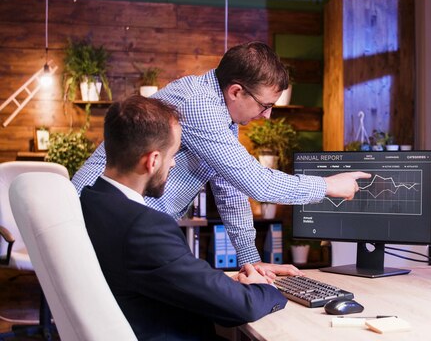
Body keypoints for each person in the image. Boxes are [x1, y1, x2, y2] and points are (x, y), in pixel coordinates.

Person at [72, 41, 370, 276]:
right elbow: (257, 184)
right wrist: (327, 186)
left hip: (115, 222)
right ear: (236, 91)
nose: (267, 115)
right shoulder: (199, 105)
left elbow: (231, 189)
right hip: (97, 221)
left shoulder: (218, 113)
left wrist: (251, 261)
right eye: (265, 105)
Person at [80, 95, 287, 340]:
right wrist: (265, 288)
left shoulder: (89, 202)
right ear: (153, 161)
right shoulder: (144, 227)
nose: (174, 164)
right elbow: (241, 307)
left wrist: (223, 284)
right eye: (173, 154)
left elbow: (173, 275)